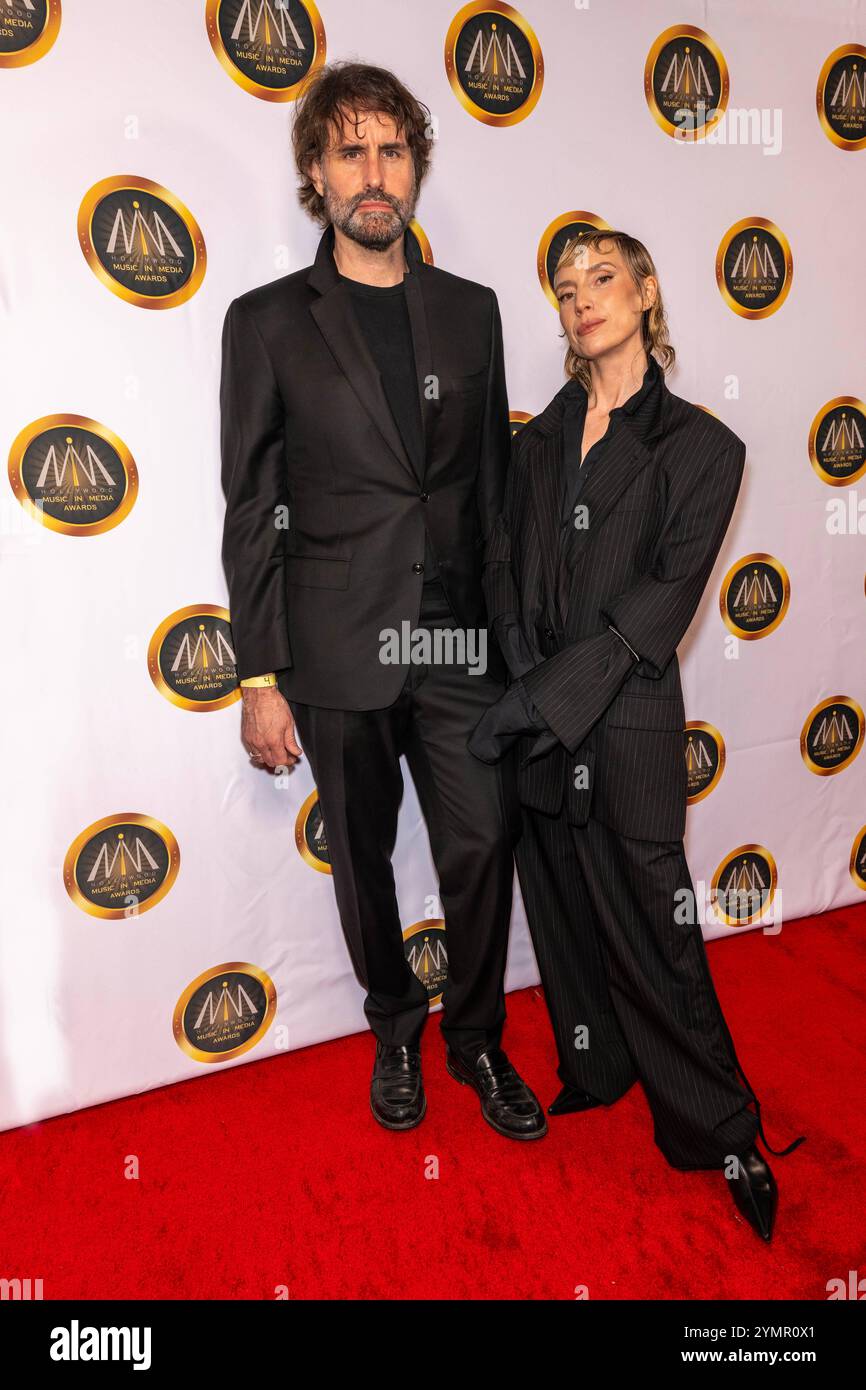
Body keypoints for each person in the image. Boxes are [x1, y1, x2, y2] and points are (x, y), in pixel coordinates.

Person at [219, 61, 545, 1142]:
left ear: (414, 168)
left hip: (456, 647)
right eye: (349, 149)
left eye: (391, 149)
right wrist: (259, 672)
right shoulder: (264, 322)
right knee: (360, 860)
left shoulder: (472, 311)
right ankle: (393, 1025)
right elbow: (251, 501)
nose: (373, 171)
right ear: (316, 172)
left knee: (481, 843)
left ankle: (476, 1039)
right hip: (331, 649)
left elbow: (490, 497)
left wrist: (514, 655)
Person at [469, 229, 804, 1237]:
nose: (582, 300)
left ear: (646, 292)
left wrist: (533, 704)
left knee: (657, 937)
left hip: (621, 723)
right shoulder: (532, 441)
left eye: (602, 278)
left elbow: (654, 610)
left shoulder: (703, 447)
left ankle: (718, 1126)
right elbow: (498, 567)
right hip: (534, 711)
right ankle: (595, 1065)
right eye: (565, 288)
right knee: (564, 913)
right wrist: (522, 680)